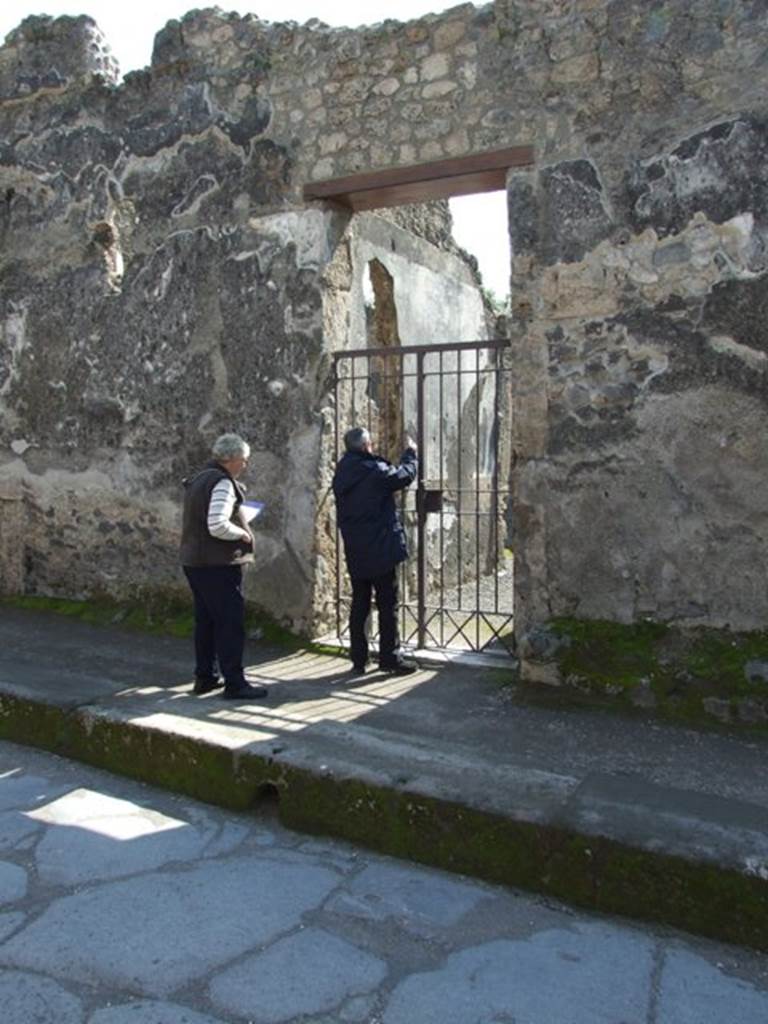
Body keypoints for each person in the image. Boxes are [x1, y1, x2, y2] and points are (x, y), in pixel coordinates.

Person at [180, 433, 267, 700]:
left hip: (194, 561)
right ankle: (235, 683)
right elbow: (216, 524)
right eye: (244, 460)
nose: (245, 465)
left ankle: (205, 677)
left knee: (205, 621)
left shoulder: (200, 478)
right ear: (231, 459)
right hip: (217, 563)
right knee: (230, 623)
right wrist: (241, 534)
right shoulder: (222, 483)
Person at [333, 426, 418, 676]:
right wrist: (410, 454)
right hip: (380, 547)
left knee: (360, 603)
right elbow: (403, 476)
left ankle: (358, 658)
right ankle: (389, 657)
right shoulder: (373, 471)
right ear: (365, 446)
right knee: (387, 603)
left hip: (356, 547)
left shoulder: (343, 470)